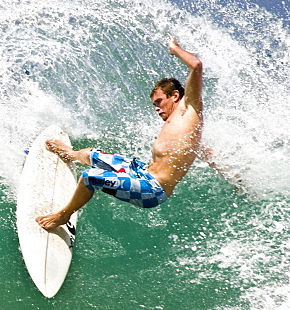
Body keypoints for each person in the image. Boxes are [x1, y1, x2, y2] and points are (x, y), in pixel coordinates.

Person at [35, 35, 213, 231]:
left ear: (175, 96)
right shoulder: (178, 123)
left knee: (90, 176)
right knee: (91, 154)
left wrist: (174, 48)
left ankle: (63, 215)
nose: (156, 108)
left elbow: (196, 65)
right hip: (142, 172)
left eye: (159, 102)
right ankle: (71, 154)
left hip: (152, 190)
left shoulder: (189, 109)